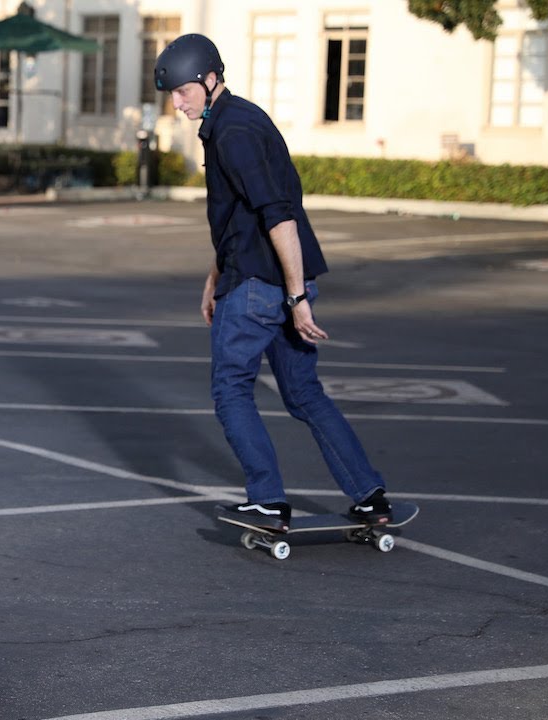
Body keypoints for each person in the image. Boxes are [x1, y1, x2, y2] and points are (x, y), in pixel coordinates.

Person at [154, 34, 391, 531]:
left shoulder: (232, 134)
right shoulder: (241, 117)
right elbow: (241, 217)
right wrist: (214, 275)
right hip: (265, 277)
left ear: (210, 78)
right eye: (172, 94)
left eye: (182, 92)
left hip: (260, 288)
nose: (176, 103)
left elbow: (278, 216)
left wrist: (296, 296)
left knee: (231, 389)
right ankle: (370, 496)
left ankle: (266, 500)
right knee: (305, 395)